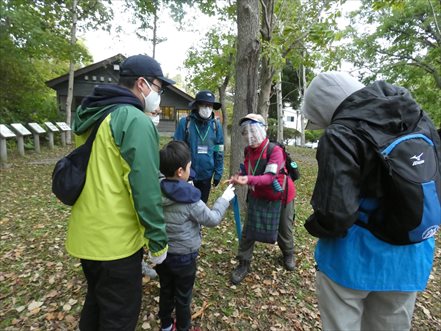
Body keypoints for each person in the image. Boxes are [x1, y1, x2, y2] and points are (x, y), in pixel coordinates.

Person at [302, 71, 440, 331]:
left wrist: (314, 225)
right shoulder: (417, 117)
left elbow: (336, 214)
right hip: (411, 254)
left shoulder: (340, 133)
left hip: (352, 259)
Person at [66, 54, 174, 330]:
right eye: (158, 88)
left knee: (96, 304)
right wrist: (158, 241)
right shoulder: (133, 119)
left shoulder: (95, 113)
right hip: (116, 242)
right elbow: (145, 186)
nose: (159, 96)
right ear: (142, 84)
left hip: (86, 235)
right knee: (119, 317)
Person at [156, 140, 235, 331]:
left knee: (166, 290)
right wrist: (224, 199)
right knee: (183, 297)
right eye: (189, 165)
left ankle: (166, 326)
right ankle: (183, 328)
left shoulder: (154, 189)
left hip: (163, 254)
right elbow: (213, 219)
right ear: (180, 171)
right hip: (184, 257)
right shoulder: (190, 199)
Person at [228, 114, 296, 285]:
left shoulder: (275, 150)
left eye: (254, 131)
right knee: (248, 231)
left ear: (263, 129)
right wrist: (239, 176)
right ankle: (243, 262)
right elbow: (247, 170)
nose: (251, 137)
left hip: (281, 195)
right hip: (257, 194)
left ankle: (288, 253)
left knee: (284, 229)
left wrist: (248, 180)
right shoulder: (247, 151)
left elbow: (269, 178)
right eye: (246, 133)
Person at [174, 90, 224, 203]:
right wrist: (184, 173)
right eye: (204, 105)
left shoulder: (216, 126)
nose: (207, 108)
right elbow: (176, 149)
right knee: (186, 206)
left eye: (210, 106)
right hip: (187, 175)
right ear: (197, 105)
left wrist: (218, 172)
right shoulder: (185, 123)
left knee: (201, 207)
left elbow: (219, 149)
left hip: (207, 176)